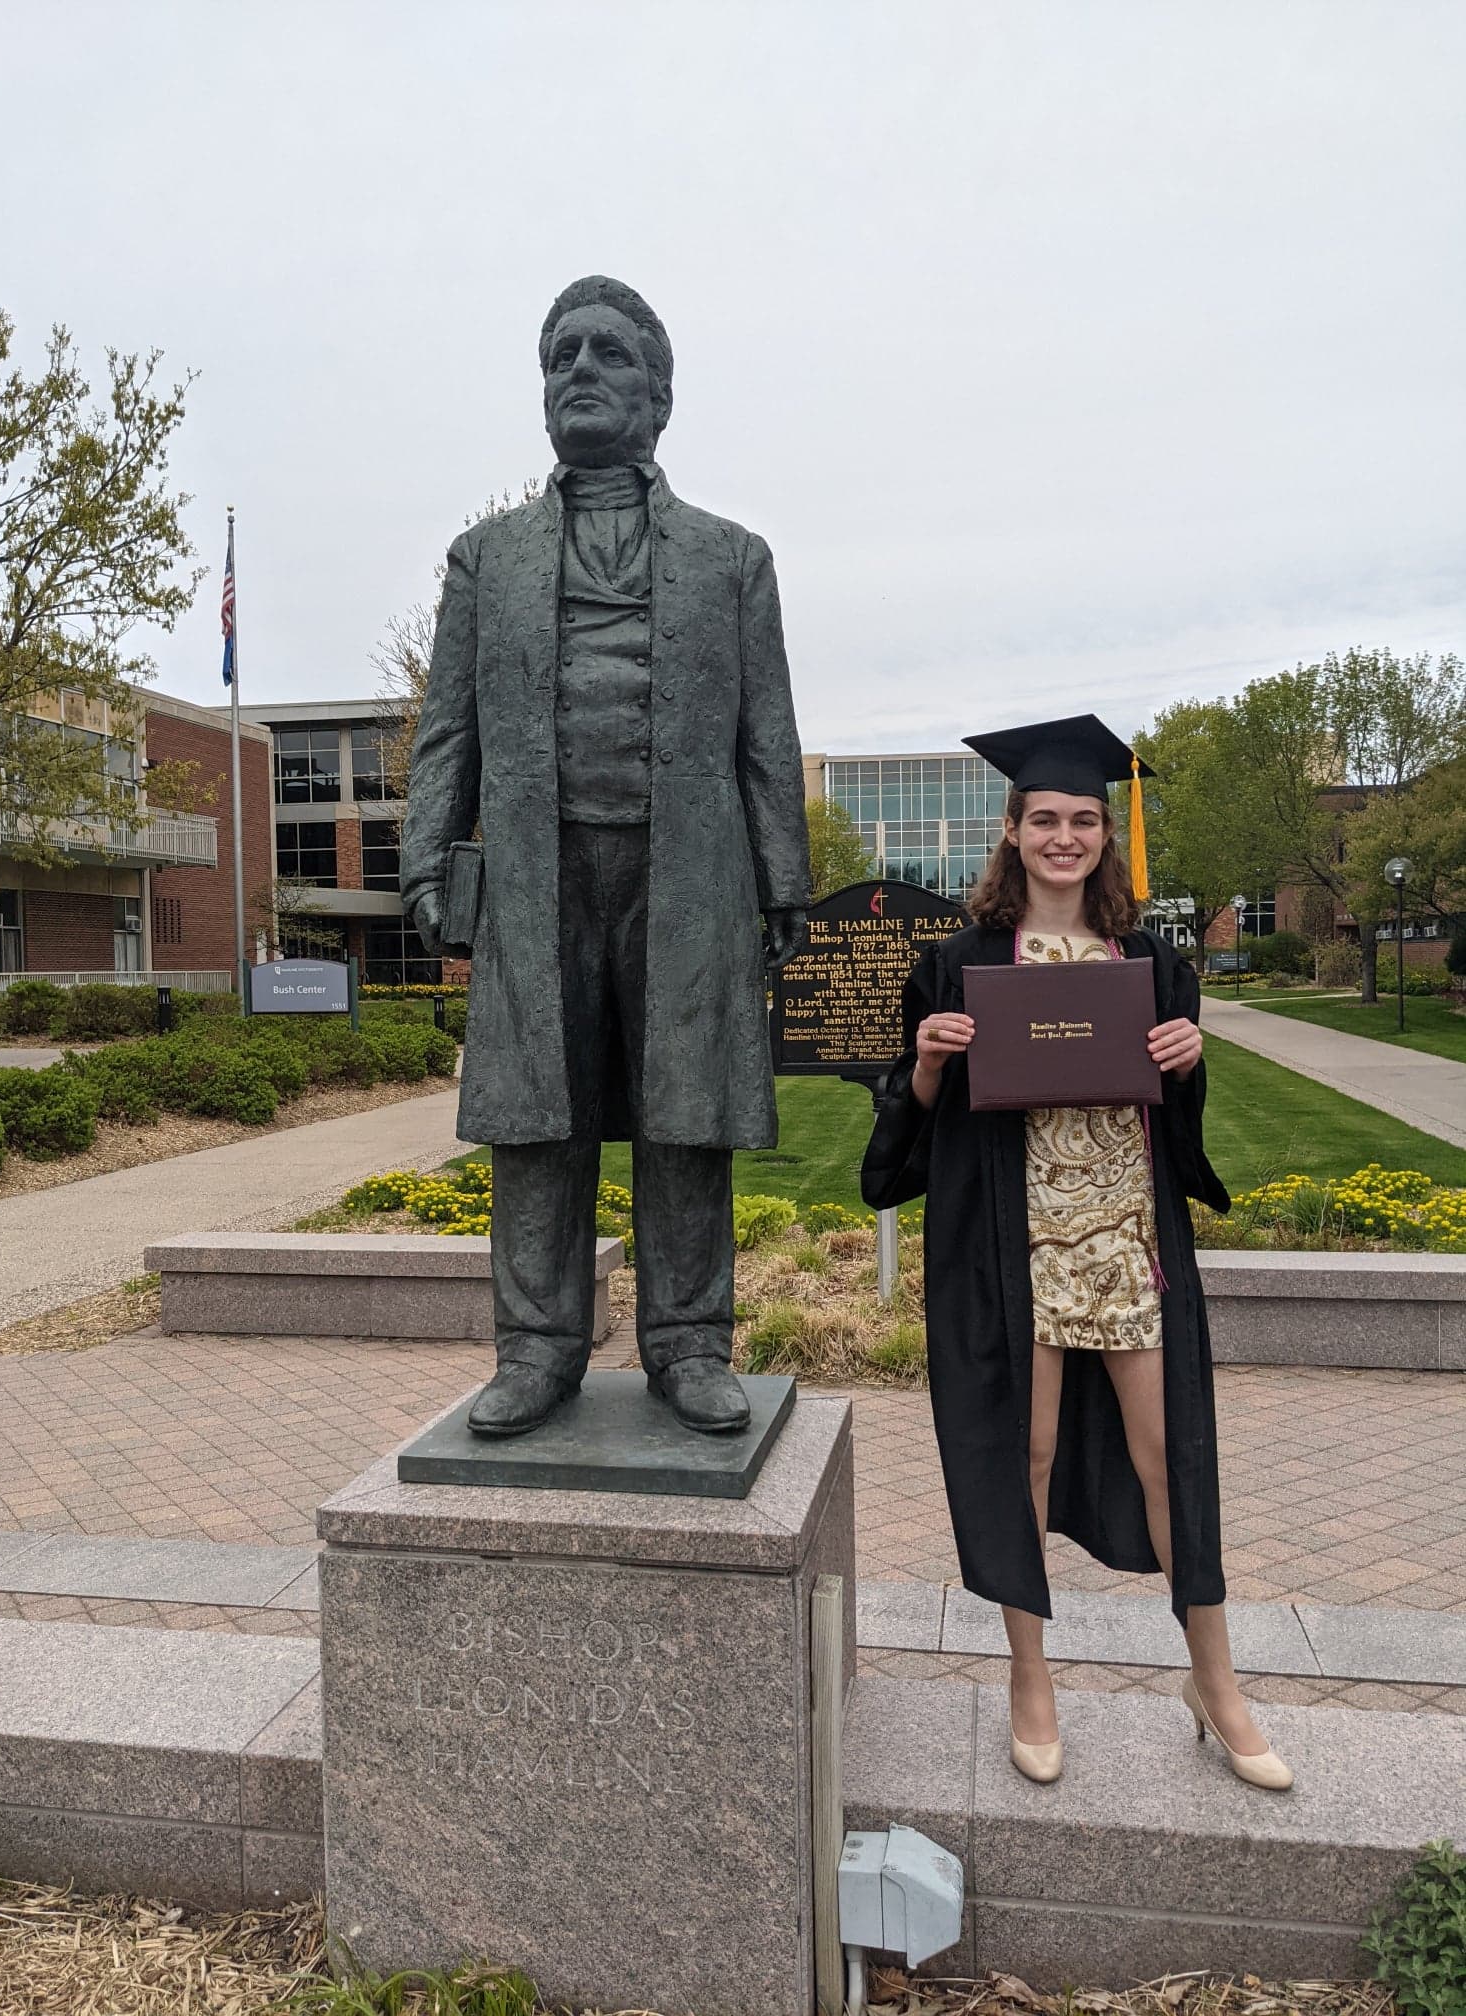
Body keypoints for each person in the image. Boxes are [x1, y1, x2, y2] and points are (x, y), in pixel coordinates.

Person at [400, 276, 810, 1438]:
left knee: (685, 1112)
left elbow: (765, 730)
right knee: (539, 1116)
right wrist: (429, 858)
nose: (581, 368)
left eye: (610, 353)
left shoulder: (735, 559)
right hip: (540, 874)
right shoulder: (488, 559)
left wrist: (784, 881)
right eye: (561, 354)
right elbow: (448, 726)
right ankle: (536, 1349)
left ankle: (689, 1343)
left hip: (690, 873)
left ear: (657, 395)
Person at [860, 714, 1292, 1791]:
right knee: (1029, 1459)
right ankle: (1030, 1679)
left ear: (1107, 834)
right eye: (1043, 818)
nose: (1064, 835)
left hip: (1125, 1244)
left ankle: (1215, 1681)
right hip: (1013, 1248)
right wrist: (924, 1063)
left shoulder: (1152, 962)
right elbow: (898, 1143)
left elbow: (1173, 1118)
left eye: (1083, 820)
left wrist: (1187, 1059)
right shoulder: (954, 964)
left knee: (1169, 1462)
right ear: (1010, 832)